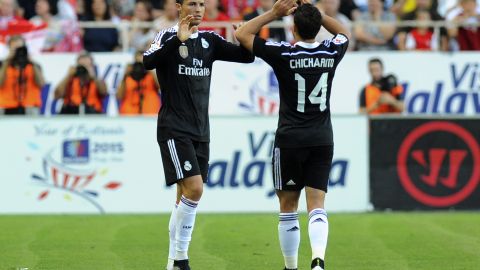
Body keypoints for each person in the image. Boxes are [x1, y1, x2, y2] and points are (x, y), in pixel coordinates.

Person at [235, 0, 350, 269]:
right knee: (317, 204)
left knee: (288, 205)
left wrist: (274, 13)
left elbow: (241, 34)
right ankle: (318, 260)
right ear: (317, 27)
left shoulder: (283, 53)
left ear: (293, 29)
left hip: (289, 139)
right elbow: (344, 32)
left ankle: (290, 266)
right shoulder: (331, 51)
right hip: (322, 138)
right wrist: (315, 14)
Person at [142, 0, 254, 269]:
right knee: (195, 189)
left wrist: (245, 38)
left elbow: (246, 57)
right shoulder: (166, 35)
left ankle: (172, 262)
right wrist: (177, 41)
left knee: (183, 197)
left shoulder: (210, 40)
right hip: (174, 128)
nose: (199, 9)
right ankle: (181, 259)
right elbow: (148, 61)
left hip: (201, 130)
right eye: (192, 3)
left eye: (203, 4)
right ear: (178, 7)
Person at [0, 35, 45, 115]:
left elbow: (41, 84)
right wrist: (6, 62)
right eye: (15, 48)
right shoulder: (3, 64)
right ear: (9, 49)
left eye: (20, 48)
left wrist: (31, 62)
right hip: (5, 106)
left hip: (29, 107)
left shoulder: (34, 65)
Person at [117, 51, 161, 115]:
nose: (139, 67)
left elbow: (162, 87)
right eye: (137, 63)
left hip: (150, 114)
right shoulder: (128, 76)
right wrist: (125, 75)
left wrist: (148, 67)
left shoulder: (150, 76)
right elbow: (119, 96)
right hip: (129, 115)